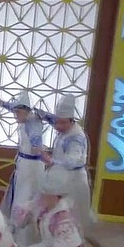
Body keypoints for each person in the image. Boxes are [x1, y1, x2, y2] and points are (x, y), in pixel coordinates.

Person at [0, 90, 45, 245]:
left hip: (32, 168)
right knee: (18, 195)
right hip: (23, 165)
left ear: (26, 111)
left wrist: (39, 149)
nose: (15, 115)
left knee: (25, 198)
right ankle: (16, 231)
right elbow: (12, 107)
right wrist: (0, 103)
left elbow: (37, 145)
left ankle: (23, 238)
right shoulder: (25, 118)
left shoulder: (33, 124)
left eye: (18, 112)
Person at [35, 94, 92, 233]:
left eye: (62, 123)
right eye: (56, 122)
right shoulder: (62, 126)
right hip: (61, 179)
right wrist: (39, 113)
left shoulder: (76, 138)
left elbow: (72, 160)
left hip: (73, 181)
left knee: (69, 218)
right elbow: (51, 118)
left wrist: (51, 160)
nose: (58, 126)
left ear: (72, 121)